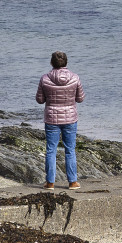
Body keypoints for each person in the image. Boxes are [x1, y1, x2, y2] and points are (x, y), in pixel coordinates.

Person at [35, 51, 85, 190]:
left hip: (51, 118)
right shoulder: (75, 78)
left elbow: (39, 100)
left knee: (51, 150)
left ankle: (50, 182)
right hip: (70, 118)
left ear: (52, 63)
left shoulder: (45, 78)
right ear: (66, 62)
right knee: (70, 150)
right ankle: (72, 182)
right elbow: (80, 98)